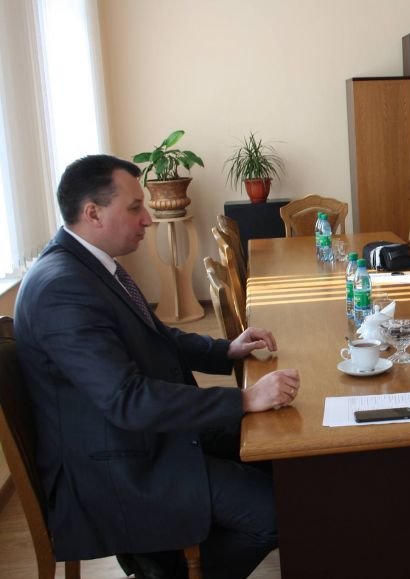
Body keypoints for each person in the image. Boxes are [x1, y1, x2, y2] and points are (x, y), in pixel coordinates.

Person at [13, 154, 301, 578]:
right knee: (279, 510)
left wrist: (226, 350)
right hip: (118, 468)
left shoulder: (88, 266)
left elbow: (157, 337)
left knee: (285, 452)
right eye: (135, 208)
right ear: (92, 213)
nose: (147, 219)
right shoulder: (63, 289)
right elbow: (127, 400)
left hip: (144, 438)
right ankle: (168, 569)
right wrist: (243, 399)